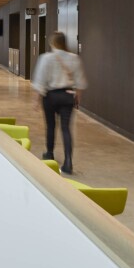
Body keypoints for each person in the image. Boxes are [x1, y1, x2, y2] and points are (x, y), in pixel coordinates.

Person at [31, 30, 88, 174]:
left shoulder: (46, 58)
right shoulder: (74, 58)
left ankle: (49, 153)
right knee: (66, 129)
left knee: (50, 126)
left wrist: (36, 100)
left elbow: (40, 80)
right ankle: (68, 161)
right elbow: (80, 82)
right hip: (67, 96)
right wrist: (77, 99)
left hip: (50, 96)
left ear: (53, 43)